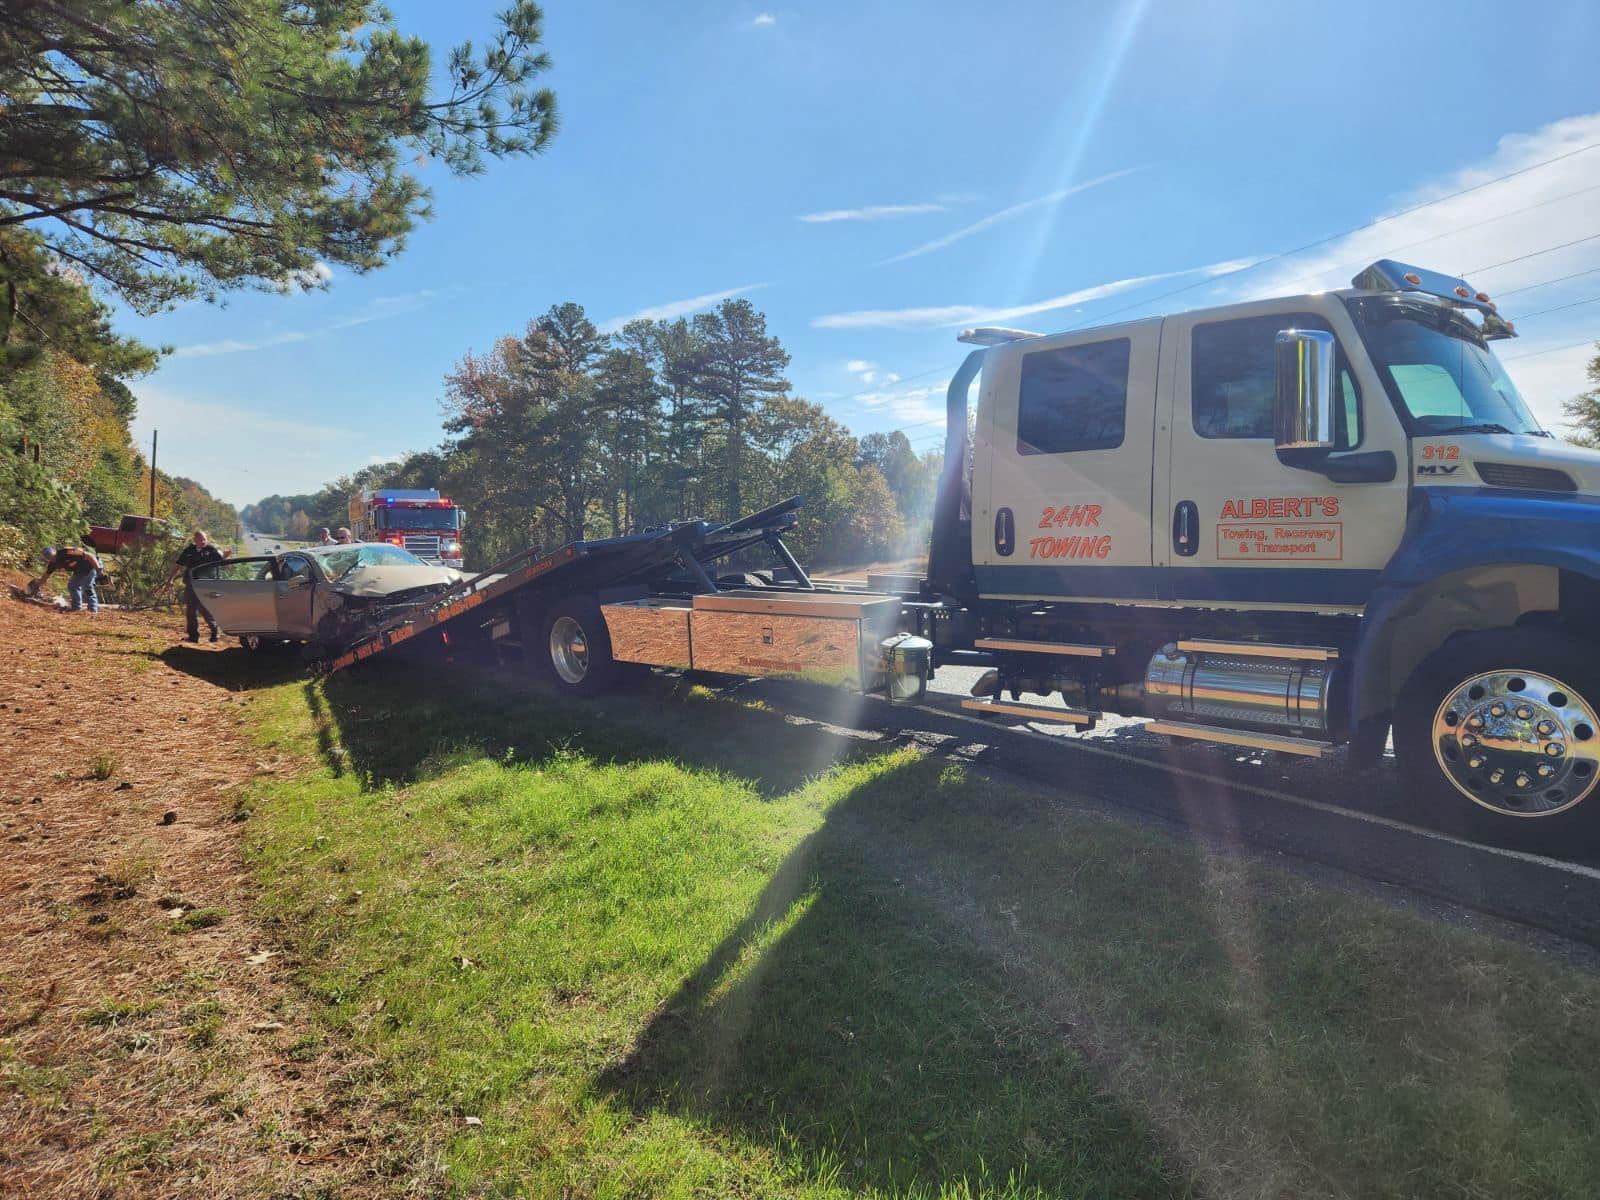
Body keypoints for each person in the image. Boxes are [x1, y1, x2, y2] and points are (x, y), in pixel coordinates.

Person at [167, 530, 228, 643]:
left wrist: (225, 557)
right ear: (195, 540)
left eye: (204, 539)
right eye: (200, 539)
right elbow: (178, 564)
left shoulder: (212, 550)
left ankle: (215, 632)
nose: (203, 541)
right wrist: (170, 578)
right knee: (190, 610)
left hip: (206, 584)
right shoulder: (189, 550)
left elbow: (222, 564)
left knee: (205, 609)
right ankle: (193, 636)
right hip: (191, 584)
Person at [35, 545, 103, 613]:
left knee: (87, 587)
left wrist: (99, 571)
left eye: (53, 556)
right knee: (72, 586)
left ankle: (93, 610)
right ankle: (76, 608)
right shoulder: (53, 564)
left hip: (92, 565)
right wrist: (36, 587)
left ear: (55, 552)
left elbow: (89, 556)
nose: (53, 559)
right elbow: (45, 577)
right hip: (80, 570)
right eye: (50, 558)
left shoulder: (68, 552)